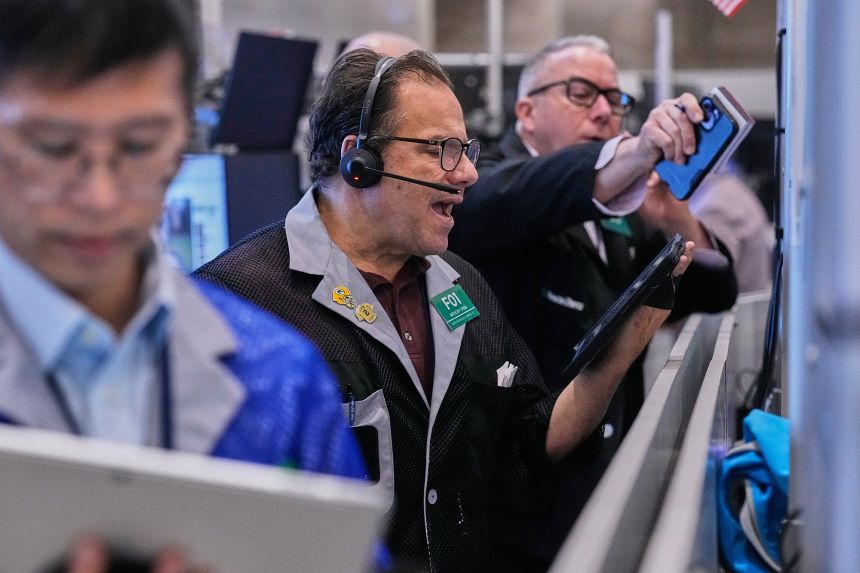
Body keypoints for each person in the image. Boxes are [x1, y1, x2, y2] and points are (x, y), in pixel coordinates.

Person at [194, 47, 700, 571]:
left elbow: (526, 451)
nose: (466, 175)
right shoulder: (239, 304)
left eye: (465, 150)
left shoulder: (461, 287)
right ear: (359, 160)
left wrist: (617, 351)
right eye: (441, 149)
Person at [0, 0, 366, 560]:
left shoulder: (280, 380)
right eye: (53, 149)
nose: (100, 197)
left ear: (181, 145)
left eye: (139, 146)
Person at [446, 35, 739, 569]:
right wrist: (634, 154)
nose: (605, 111)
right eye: (581, 93)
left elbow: (715, 291)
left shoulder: (620, 208)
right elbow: (530, 196)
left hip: (605, 485)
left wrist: (671, 214)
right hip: (521, 513)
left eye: (615, 99)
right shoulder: (485, 187)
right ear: (526, 111)